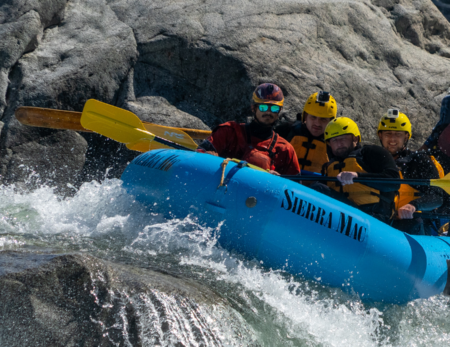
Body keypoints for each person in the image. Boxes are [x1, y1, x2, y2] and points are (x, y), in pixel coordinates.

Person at [197, 83, 300, 175]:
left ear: (279, 111)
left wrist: (278, 181)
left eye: (274, 108)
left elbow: (294, 189)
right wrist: (210, 158)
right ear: (253, 108)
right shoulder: (229, 132)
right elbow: (198, 156)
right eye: (263, 107)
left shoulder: (285, 150)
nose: (268, 112)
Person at [312, 117, 400, 223]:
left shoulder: (371, 153)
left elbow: (394, 182)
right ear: (329, 144)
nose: (339, 143)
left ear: (355, 139)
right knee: (316, 189)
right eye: (334, 140)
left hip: (372, 218)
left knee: (318, 188)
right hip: (340, 217)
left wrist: (358, 176)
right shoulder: (328, 167)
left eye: (343, 138)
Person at [377, 109, 443, 235]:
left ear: (406, 136)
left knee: (412, 223)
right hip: (381, 222)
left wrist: (413, 205)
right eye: (388, 133)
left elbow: (437, 197)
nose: (392, 139)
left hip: (413, 224)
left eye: (398, 134)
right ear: (380, 136)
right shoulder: (373, 160)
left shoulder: (419, 160)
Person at [281, 91, 337, 173]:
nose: (317, 123)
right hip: (285, 181)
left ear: (331, 122)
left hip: (315, 185)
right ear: (305, 116)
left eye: (323, 119)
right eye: (313, 117)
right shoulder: (286, 131)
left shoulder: (335, 143)